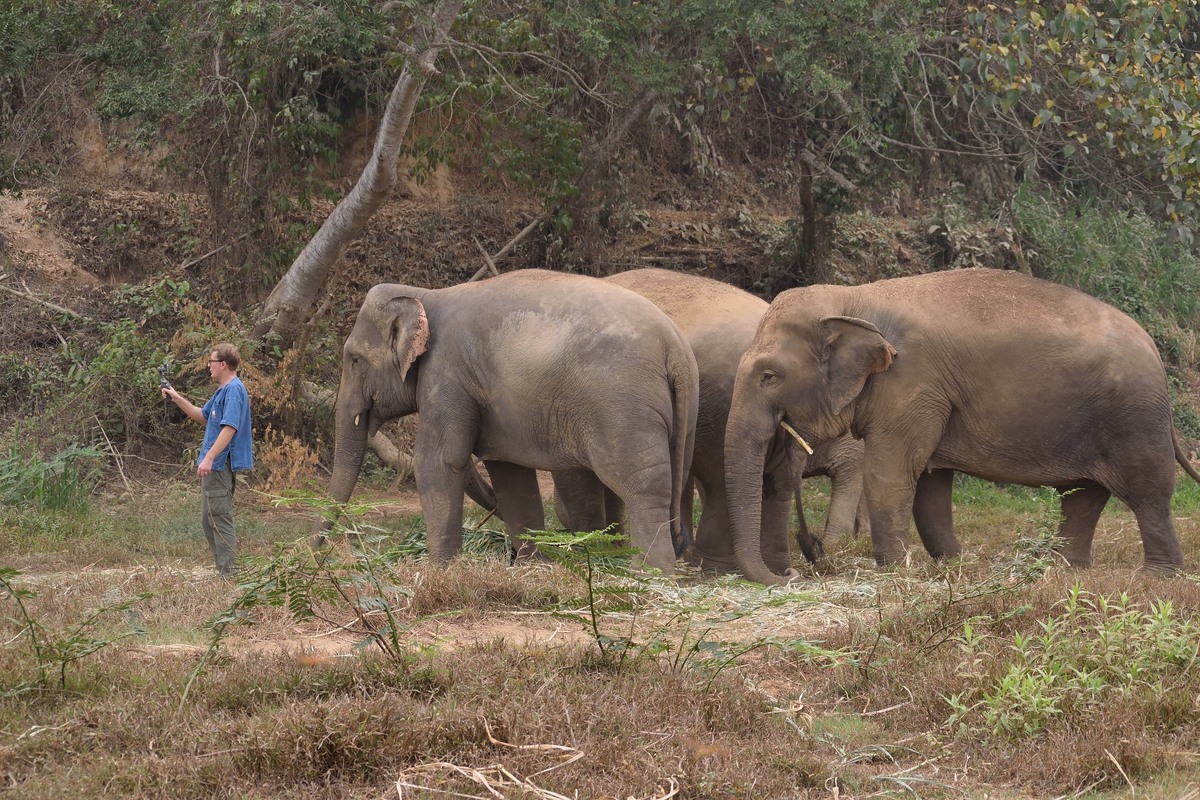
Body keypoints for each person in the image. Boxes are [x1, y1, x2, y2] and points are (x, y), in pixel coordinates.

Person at [162, 343, 253, 578]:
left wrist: (209, 458)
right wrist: (176, 398)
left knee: (219, 518)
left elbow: (230, 427)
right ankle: (225, 571)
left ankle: (230, 575)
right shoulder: (222, 390)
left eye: (211, 362)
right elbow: (202, 416)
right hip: (214, 465)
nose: (208, 366)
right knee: (208, 519)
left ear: (223, 364)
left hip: (220, 464)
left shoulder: (234, 390)